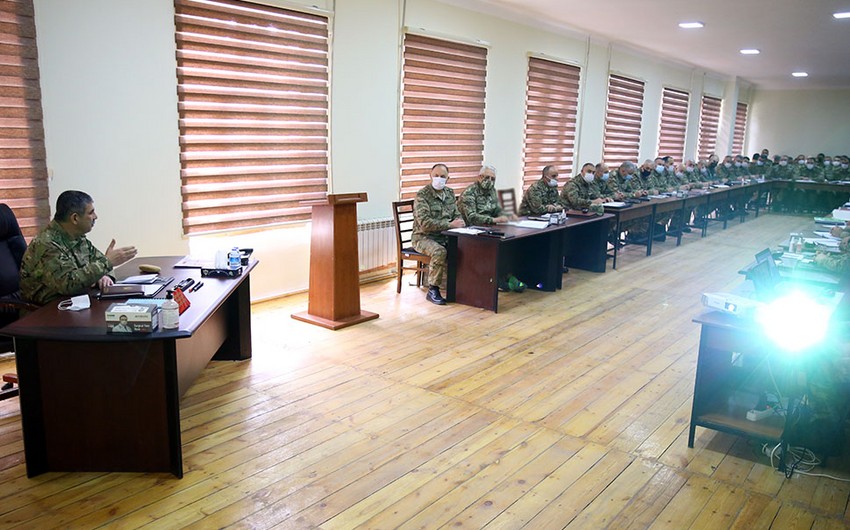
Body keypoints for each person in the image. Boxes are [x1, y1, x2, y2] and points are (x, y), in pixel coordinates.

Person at [20, 190, 137, 306]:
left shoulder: (76, 236)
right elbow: (68, 284)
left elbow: (98, 261)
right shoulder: (47, 244)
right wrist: (107, 263)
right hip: (45, 311)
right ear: (75, 218)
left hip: (75, 302)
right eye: (91, 213)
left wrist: (104, 275)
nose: (95, 217)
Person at [412, 163, 464, 305]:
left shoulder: (450, 193)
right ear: (430, 176)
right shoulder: (422, 195)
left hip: (445, 236)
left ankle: (461, 288)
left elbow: (456, 214)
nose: (439, 179)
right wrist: (450, 224)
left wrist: (460, 222)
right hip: (423, 237)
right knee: (439, 251)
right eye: (436, 175)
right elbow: (425, 223)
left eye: (442, 176)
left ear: (448, 178)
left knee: (467, 247)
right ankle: (433, 290)